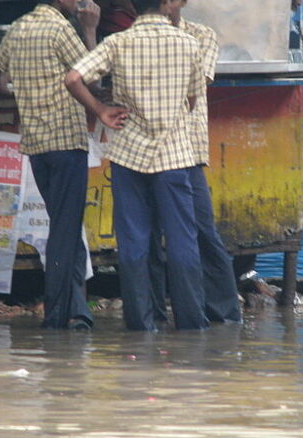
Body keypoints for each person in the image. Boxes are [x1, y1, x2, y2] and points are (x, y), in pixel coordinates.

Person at [64, 0, 209, 331]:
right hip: (174, 156)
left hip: (128, 155)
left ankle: (141, 326)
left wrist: (100, 109)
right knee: (182, 240)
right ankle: (191, 325)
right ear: (164, 4)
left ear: (132, 5)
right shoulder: (188, 43)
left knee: (133, 242)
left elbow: (73, 78)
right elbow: (192, 99)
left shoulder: (118, 42)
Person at [0, 0, 101, 330]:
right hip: (66, 142)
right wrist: (90, 30)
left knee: (66, 226)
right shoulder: (60, 29)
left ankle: (77, 311)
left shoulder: (19, 27)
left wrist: (14, 92)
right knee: (65, 231)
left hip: (37, 146)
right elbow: (91, 78)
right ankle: (56, 316)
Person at [151, 0, 242, 324]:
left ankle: (224, 315)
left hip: (186, 147)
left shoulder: (201, 35)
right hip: (149, 148)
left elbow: (194, 82)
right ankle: (164, 316)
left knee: (203, 230)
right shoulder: (142, 35)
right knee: (154, 235)